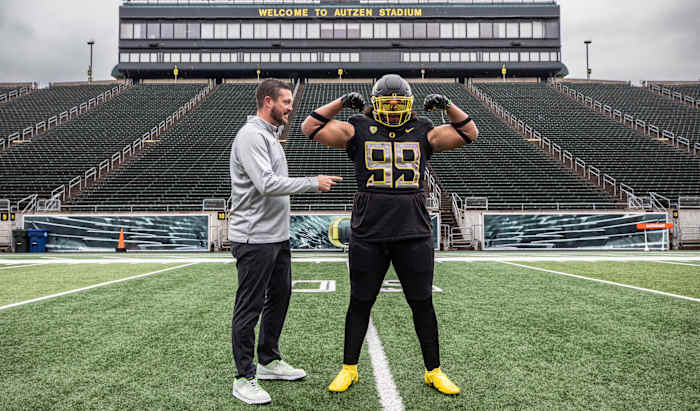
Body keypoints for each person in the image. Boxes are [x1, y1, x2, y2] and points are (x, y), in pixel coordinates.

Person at [301, 74, 478, 396]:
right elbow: (309, 127)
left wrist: (448, 105)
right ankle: (349, 368)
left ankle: (433, 370)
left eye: (399, 104)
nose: (394, 110)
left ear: (409, 105)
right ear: (375, 105)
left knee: (422, 303)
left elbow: (469, 132)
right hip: (369, 232)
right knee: (360, 301)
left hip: (413, 231)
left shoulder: (424, 129)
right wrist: (341, 102)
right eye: (387, 104)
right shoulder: (357, 126)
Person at [229, 78, 343, 405]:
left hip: (276, 237)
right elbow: (265, 184)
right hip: (254, 238)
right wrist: (312, 182)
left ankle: (268, 360)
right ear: (268, 102)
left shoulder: (269, 136)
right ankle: (243, 377)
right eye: (286, 101)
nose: (290, 107)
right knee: (249, 307)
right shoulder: (251, 136)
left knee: (280, 296)